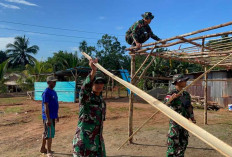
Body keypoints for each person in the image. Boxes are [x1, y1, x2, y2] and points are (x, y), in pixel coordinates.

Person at [73, 58, 107, 157]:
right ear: (92, 83)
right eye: (97, 82)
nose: (99, 85)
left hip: (98, 144)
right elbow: (84, 89)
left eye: (101, 82)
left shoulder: (102, 102)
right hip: (84, 143)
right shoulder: (85, 98)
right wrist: (93, 71)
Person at [164, 74, 196, 157]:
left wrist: (192, 118)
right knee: (173, 144)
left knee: (183, 143)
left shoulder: (186, 94)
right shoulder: (171, 93)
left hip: (185, 123)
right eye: (184, 80)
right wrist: (172, 98)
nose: (185, 82)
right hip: (175, 124)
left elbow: (189, 107)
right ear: (178, 82)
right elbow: (165, 103)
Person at [40, 76, 59, 157]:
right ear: (48, 82)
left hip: (53, 116)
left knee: (46, 132)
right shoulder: (46, 92)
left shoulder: (53, 92)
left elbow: (55, 104)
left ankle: (42, 148)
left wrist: (57, 115)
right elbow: (46, 106)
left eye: (55, 82)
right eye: (53, 82)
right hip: (48, 117)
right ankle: (48, 151)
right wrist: (48, 119)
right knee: (49, 134)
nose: (55, 83)